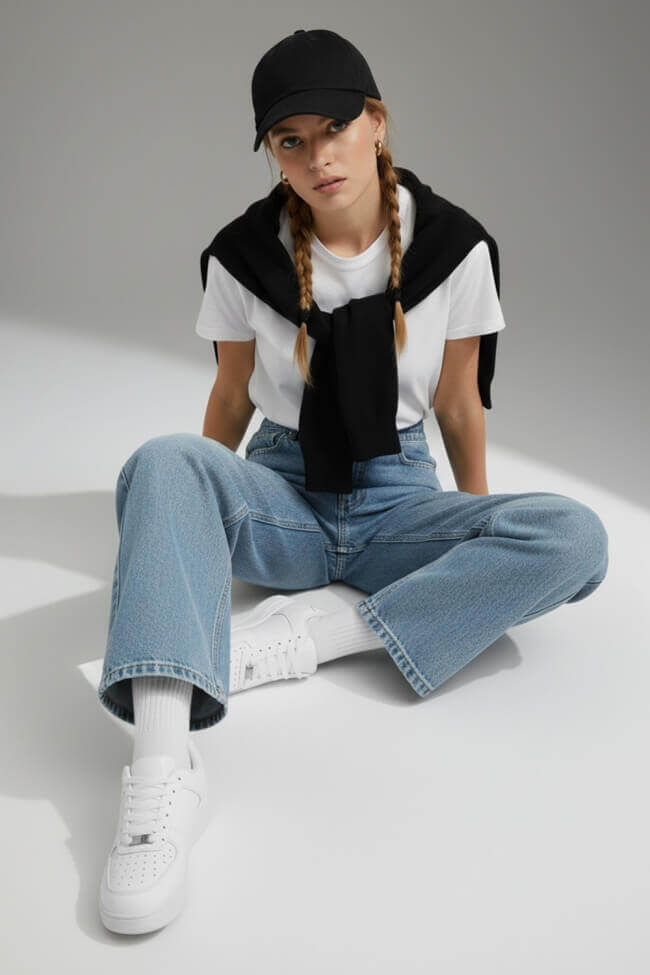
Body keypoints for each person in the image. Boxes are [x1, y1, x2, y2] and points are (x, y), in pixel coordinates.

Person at [96, 28, 609, 936]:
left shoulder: (456, 247)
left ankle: (315, 637)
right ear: (271, 152)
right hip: (282, 495)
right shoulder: (241, 255)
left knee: (576, 537)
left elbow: (457, 405)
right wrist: (181, 525)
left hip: (397, 499)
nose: (317, 157)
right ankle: (162, 780)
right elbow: (229, 398)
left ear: (376, 121)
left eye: (334, 127)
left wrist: (470, 530)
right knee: (163, 460)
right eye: (289, 140)